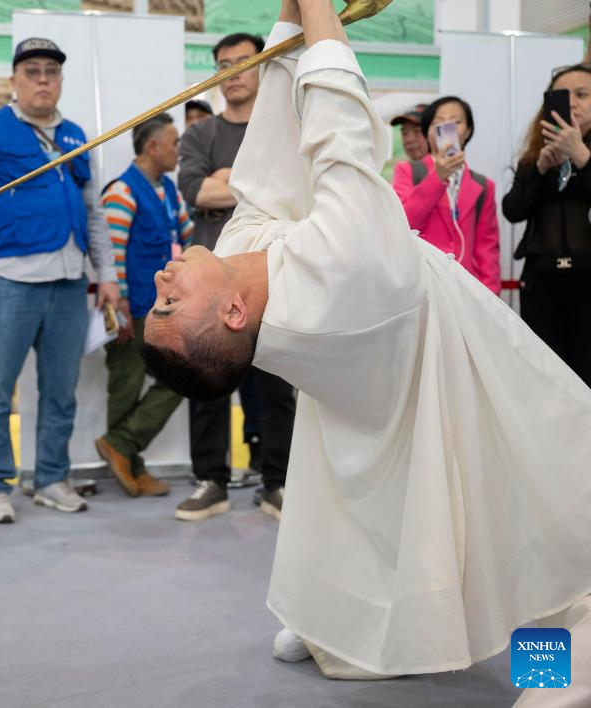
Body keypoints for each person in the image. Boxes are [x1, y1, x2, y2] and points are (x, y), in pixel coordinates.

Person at [142, 0, 591, 697]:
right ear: (232, 313)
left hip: (400, 398)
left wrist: (291, 25)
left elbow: (269, 165)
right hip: (465, 379)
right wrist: (320, 6)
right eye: (170, 301)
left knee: (374, 521)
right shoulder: (337, 274)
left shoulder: (239, 257)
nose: (161, 279)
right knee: (534, 511)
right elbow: (338, 133)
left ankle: (350, 633)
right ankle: (558, 667)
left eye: (157, 296)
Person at [0, 38, 120, 524]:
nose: (43, 80)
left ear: (60, 81)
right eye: (32, 71)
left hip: (68, 281)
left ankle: (50, 479)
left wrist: (106, 275)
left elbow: (95, 213)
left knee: (60, 390)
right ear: (15, 80)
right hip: (9, 280)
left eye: (51, 72)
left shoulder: (76, 134)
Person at [178, 30, 294, 522]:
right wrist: (254, 188)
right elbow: (196, 193)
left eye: (243, 61)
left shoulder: (284, 125)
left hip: (269, 276)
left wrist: (227, 180)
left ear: (263, 65)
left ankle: (278, 481)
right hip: (208, 277)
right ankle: (211, 480)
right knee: (204, 376)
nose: (233, 71)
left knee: (277, 381)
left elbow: (291, 192)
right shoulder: (199, 134)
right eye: (223, 64)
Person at [94, 113, 192, 499]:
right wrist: (117, 308)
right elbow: (111, 254)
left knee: (180, 377)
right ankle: (130, 465)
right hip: (130, 308)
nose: (178, 150)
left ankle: (122, 445)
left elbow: (187, 235)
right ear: (153, 147)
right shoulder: (121, 191)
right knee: (125, 387)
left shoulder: (168, 190)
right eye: (174, 142)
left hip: (162, 308)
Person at [503, 64, 591, 388]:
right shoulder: (535, 156)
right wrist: (539, 169)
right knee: (545, 380)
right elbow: (513, 211)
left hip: (588, 281)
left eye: (582, 94)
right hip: (541, 281)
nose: (574, 103)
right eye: (564, 96)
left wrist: (581, 155)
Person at [393, 96, 501, 293]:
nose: (447, 127)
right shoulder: (408, 171)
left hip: (466, 290)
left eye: (456, 121)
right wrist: (437, 178)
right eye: (438, 123)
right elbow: (403, 224)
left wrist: (490, 297)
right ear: (427, 132)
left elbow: (487, 252)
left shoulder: (483, 185)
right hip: (422, 288)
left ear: (468, 130)